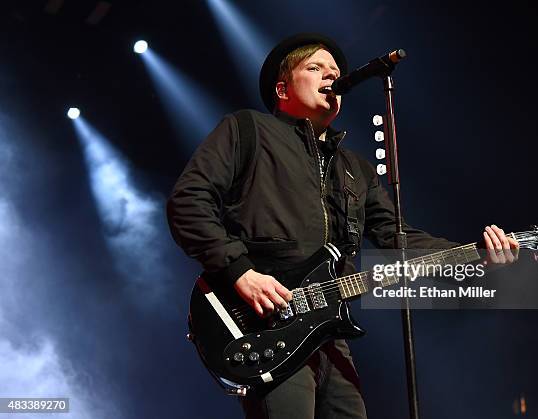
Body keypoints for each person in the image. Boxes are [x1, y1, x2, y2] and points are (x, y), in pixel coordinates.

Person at [167, 33, 518, 419]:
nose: (331, 77)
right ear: (282, 88)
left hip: (328, 330)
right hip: (264, 321)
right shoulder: (247, 130)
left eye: (335, 72)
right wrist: (240, 272)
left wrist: (476, 257)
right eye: (315, 68)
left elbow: (398, 240)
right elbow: (188, 202)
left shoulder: (355, 170)